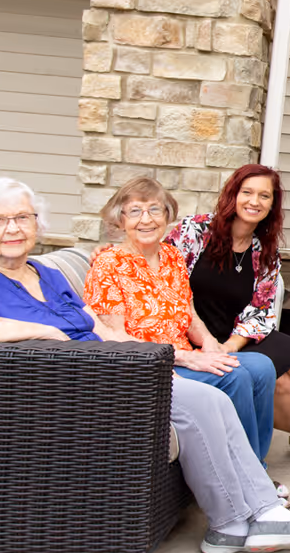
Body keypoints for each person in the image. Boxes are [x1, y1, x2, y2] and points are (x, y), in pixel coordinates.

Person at [0, 177, 290, 553]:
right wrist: (47, 333)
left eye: (22, 218)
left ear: (37, 225)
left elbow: (101, 329)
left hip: (116, 367)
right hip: (75, 382)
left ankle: (240, 522)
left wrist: (151, 360)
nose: (12, 228)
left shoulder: (46, 274)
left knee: (214, 400)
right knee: (207, 401)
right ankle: (254, 517)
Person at [169, 166, 290, 479]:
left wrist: (231, 345)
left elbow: (261, 309)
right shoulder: (195, 230)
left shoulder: (263, 250)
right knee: (279, 384)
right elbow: (167, 283)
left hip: (237, 332)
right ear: (233, 195)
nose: (255, 201)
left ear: (272, 204)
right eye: (248, 192)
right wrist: (208, 343)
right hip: (191, 331)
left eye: (264, 196)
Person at [84, 178, 278, 464]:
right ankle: (246, 474)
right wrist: (186, 358)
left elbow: (189, 315)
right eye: (135, 211)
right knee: (234, 377)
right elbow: (116, 337)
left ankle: (254, 464)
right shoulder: (109, 264)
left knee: (262, 367)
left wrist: (210, 344)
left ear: (167, 216)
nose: (146, 220)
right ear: (120, 220)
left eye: (155, 210)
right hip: (150, 365)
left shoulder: (172, 257)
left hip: (185, 353)